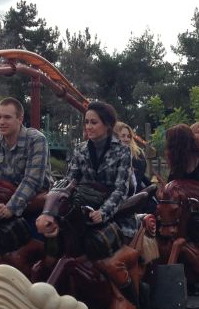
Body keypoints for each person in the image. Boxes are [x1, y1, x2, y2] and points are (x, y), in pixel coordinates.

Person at [36, 100, 136, 238]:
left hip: (113, 211)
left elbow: (121, 189)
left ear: (107, 125)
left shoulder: (123, 151)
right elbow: (70, 181)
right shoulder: (80, 149)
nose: (88, 127)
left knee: (99, 243)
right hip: (83, 206)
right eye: (86, 122)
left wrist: (103, 212)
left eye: (94, 123)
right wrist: (53, 200)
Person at [0, 97, 51, 219]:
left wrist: (11, 208)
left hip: (32, 201)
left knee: (28, 232)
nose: (1, 122)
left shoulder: (36, 140)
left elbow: (32, 181)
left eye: (7, 117)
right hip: (1, 197)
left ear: (20, 119)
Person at [113, 122, 150, 194]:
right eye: (123, 136)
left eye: (129, 136)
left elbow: (136, 181)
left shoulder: (137, 156)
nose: (126, 139)